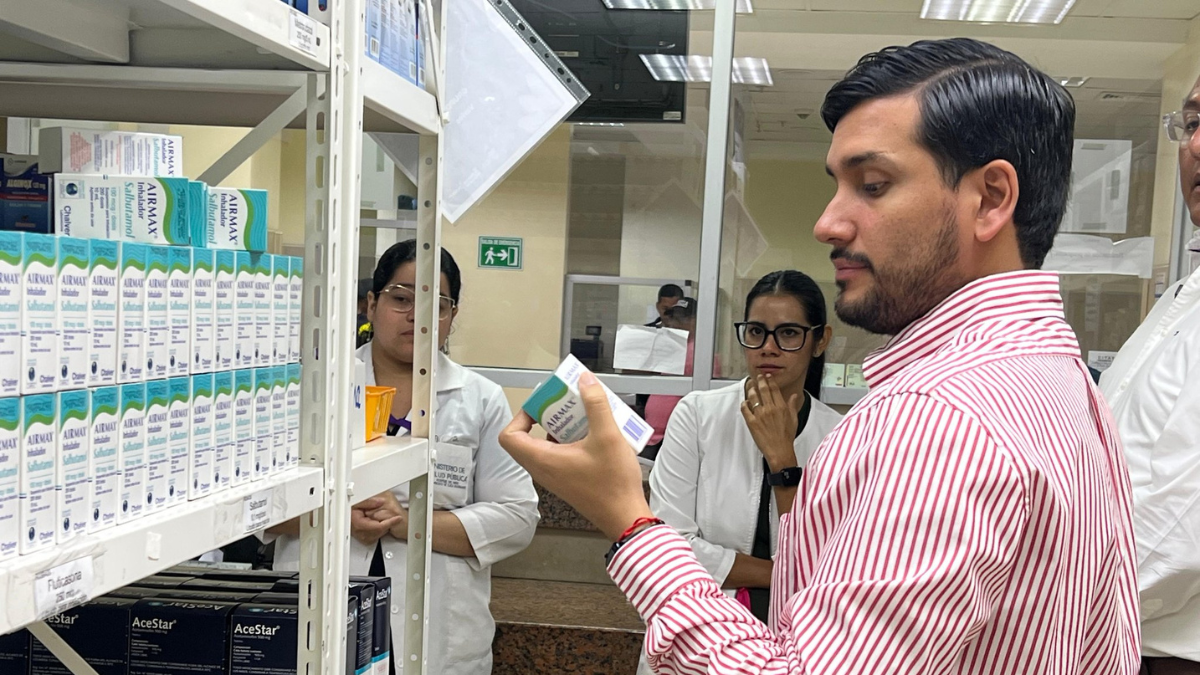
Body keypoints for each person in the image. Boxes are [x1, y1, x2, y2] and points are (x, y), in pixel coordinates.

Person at [499, 37, 1140, 675]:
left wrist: (629, 521)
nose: (827, 223)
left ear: (992, 198)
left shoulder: (939, 421)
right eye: (837, 186)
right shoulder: (1064, 384)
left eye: (874, 184)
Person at [269, 240, 539, 675]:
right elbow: (261, 511)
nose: (417, 315)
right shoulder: (313, 392)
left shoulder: (480, 400)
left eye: (438, 304)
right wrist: (335, 515)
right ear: (371, 305)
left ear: (452, 316)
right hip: (321, 618)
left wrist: (407, 523)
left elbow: (517, 519)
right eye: (401, 298)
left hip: (438, 632)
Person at [647, 271, 840, 631]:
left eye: (788, 333)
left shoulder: (841, 435)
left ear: (819, 340)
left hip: (803, 635)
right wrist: (781, 574)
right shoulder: (698, 414)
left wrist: (784, 459)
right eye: (756, 332)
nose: (768, 347)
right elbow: (670, 546)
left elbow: (837, 562)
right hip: (703, 629)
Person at [1099, 77, 1200, 674]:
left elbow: (1182, 527)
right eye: (1191, 124)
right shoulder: (1183, 296)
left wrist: (1055, 607)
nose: (1196, 146)